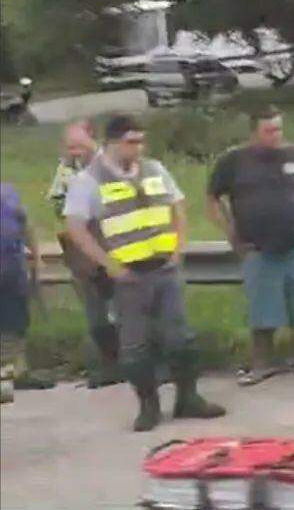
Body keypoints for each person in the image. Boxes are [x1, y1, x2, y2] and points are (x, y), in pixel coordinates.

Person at [64, 114, 225, 431]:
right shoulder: (90, 180)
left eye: (140, 141)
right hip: (128, 276)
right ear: (111, 143)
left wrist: (177, 248)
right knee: (135, 346)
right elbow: (75, 226)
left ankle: (188, 398)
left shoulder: (155, 169)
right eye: (131, 142)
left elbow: (178, 206)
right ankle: (148, 406)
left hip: (164, 268)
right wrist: (107, 264)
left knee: (181, 339)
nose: (138, 148)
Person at [207, 106, 294, 385]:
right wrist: (229, 230)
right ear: (254, 132)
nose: (276, 135)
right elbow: (212, 198)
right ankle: (261, 364)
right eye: (269, 130)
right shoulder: (233, 161)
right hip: (257, 247)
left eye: (278, 129)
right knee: (262, 307)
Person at [47, 120, 121, 388]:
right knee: (95, 311)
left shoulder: (109, 165)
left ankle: (136, 362)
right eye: (70, 147)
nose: (74, 152)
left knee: (123, 308)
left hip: (112, 238)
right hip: (82, 246)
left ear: (93, 140)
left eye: (79, 145)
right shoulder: (66, 169)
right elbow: (57, 201)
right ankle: (110, 365)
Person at [1, 182, 55, 403]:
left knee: (16, 323)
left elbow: (25, 224)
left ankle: (16, 372)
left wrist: (36, 255)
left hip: (11, 268)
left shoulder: (7, 193)